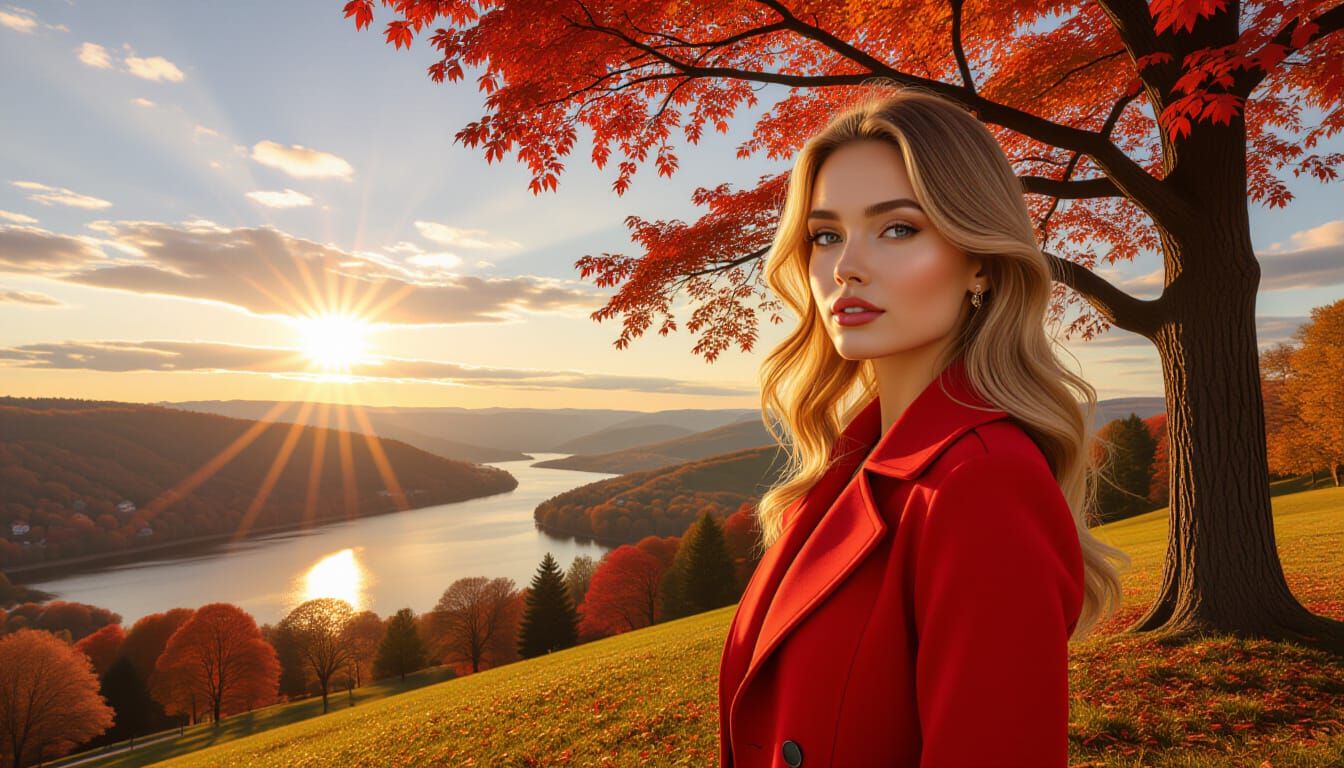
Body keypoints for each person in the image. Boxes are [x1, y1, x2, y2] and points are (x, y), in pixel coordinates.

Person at [717, 85, 1131, 768]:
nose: (845, 265)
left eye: (898, 228)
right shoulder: (852, 464)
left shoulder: (981, 483)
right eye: (825, 235)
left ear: (979, 263)